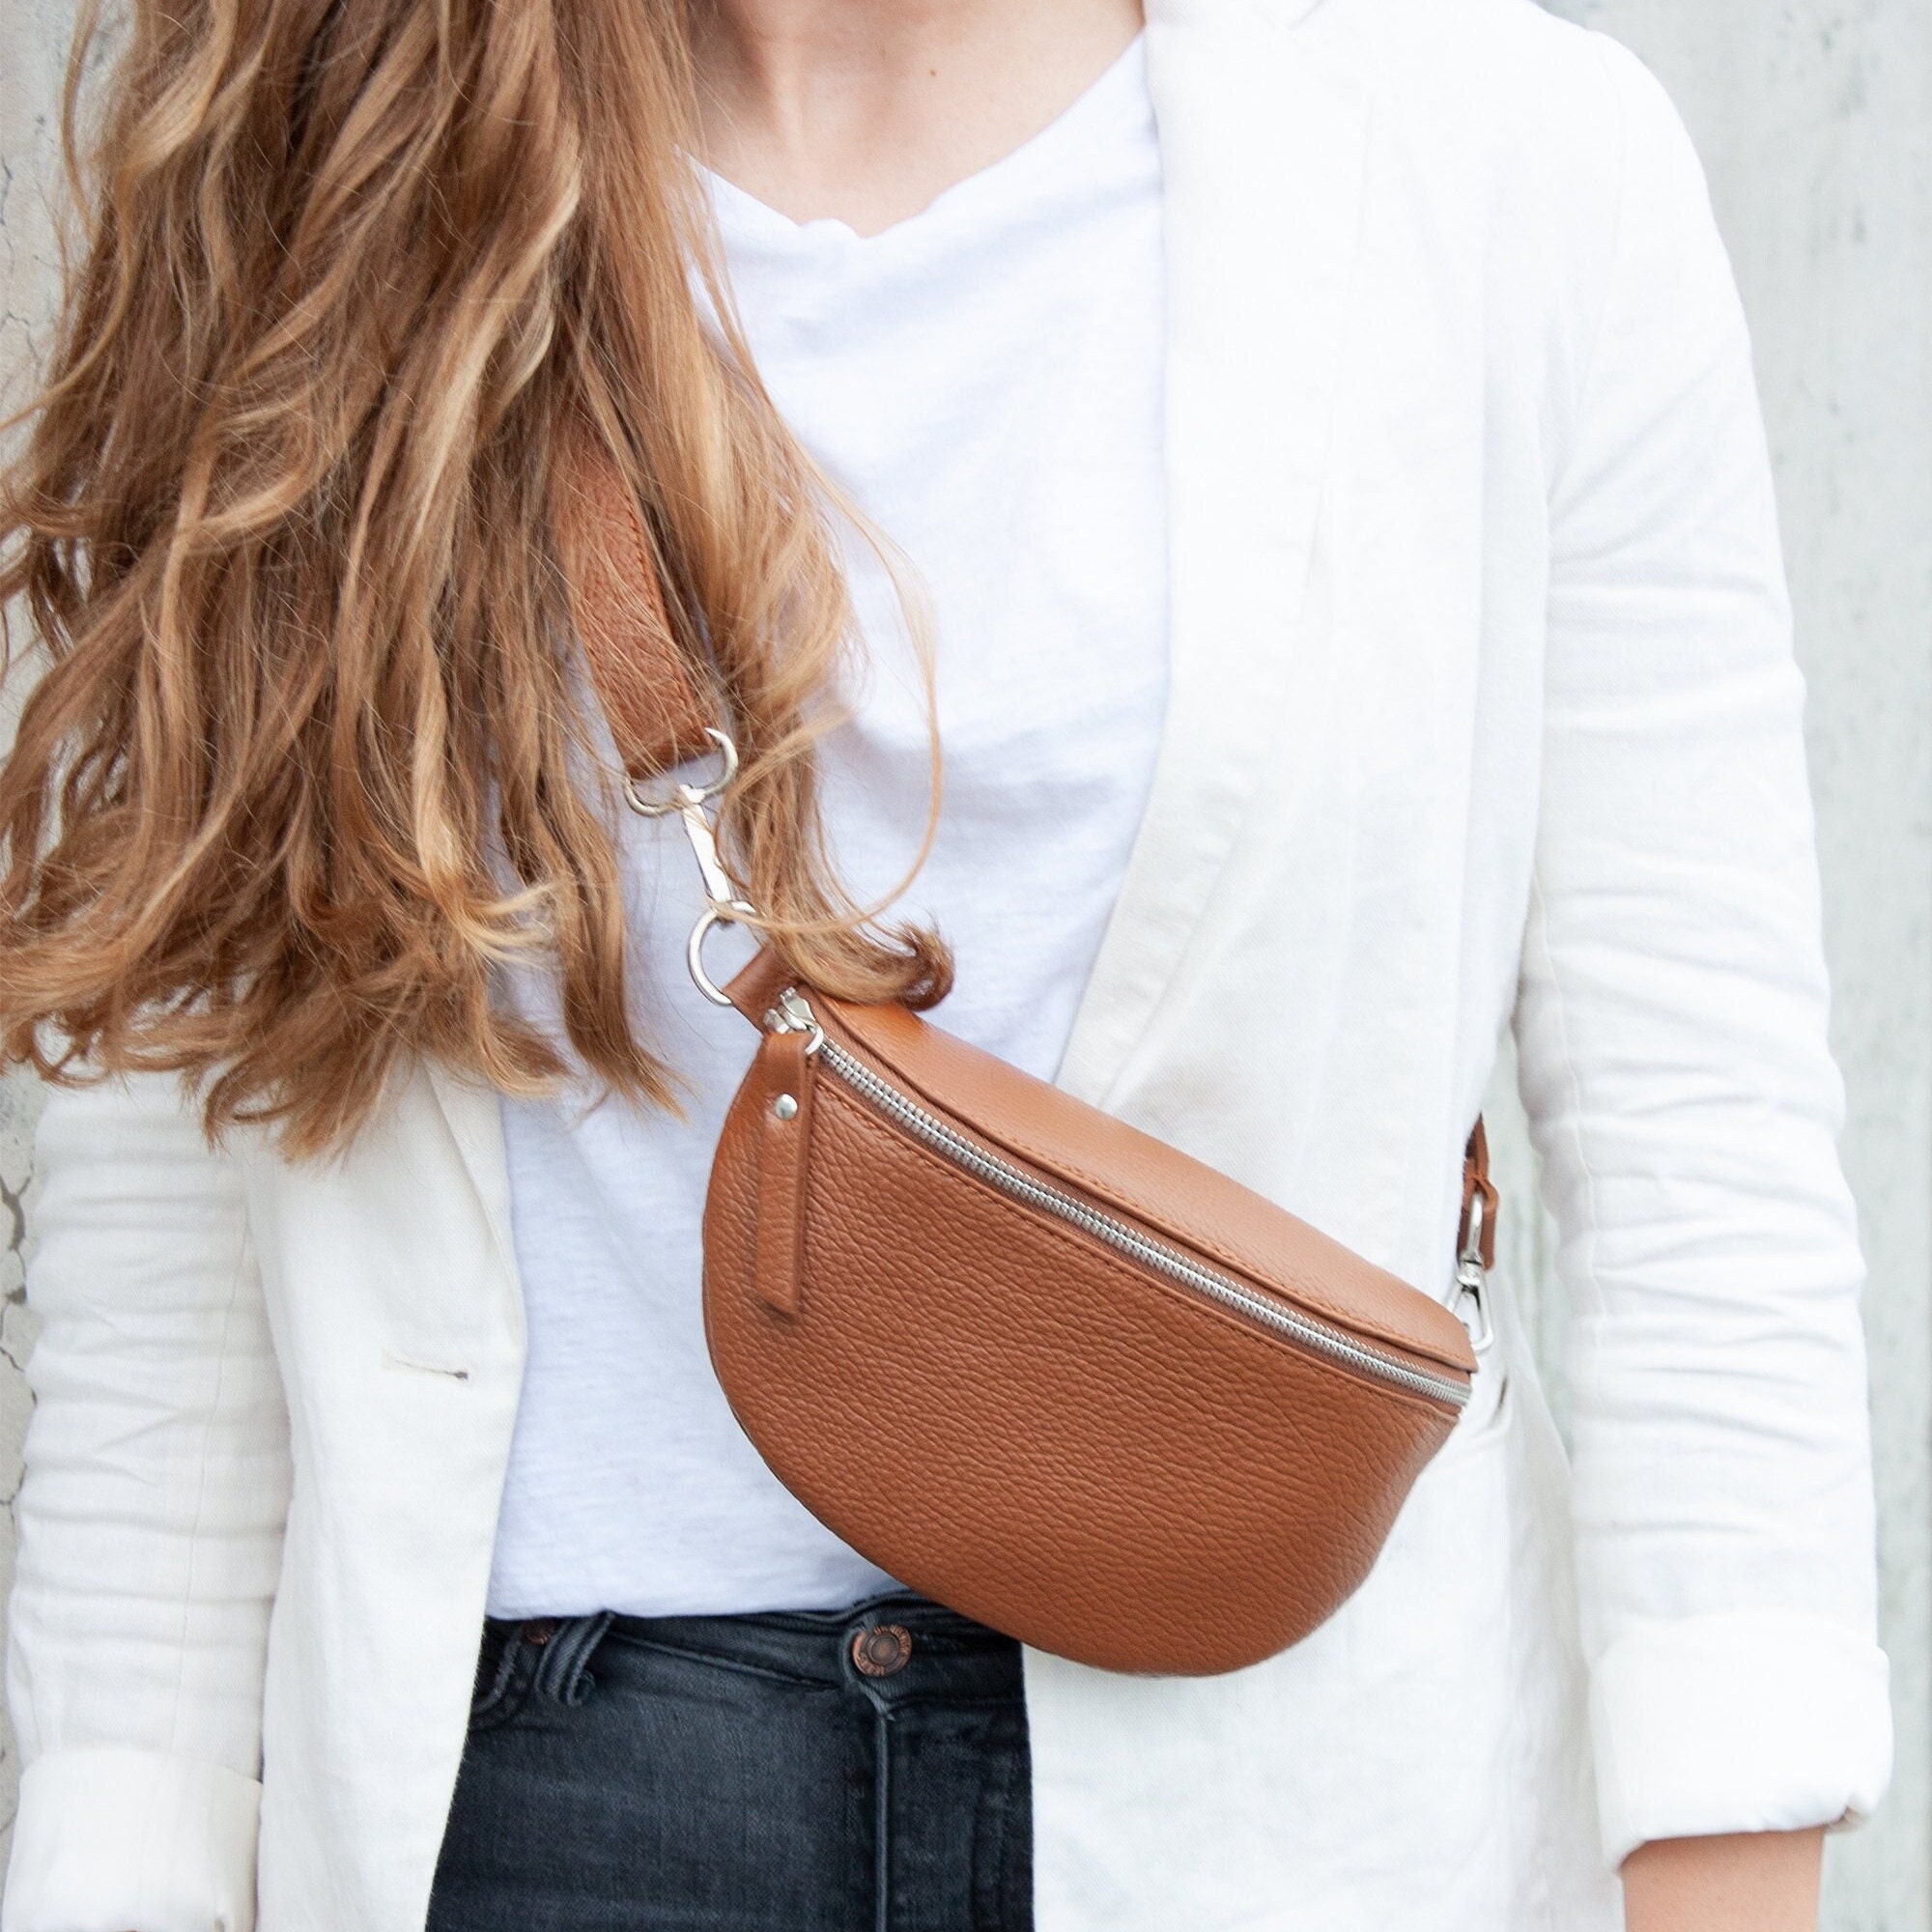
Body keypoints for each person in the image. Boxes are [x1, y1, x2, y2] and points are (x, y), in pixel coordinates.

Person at [0, 0, 1890, 1926]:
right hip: (550, 1804)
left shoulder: (1508, 163)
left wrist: (1729, 1879)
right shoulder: (317, 147)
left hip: (1295, 1804)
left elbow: (1696, 1139)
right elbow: (170, 1198)